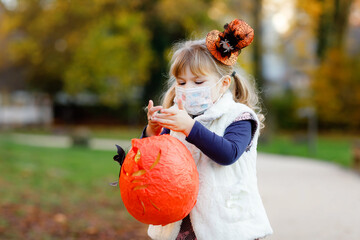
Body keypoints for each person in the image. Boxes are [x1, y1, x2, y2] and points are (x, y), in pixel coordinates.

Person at [141, 19, 273, 240]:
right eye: (181, 83)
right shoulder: (177, 118)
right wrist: (152, 132)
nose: (188, 88)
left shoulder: (239, 117)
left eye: (198, 82)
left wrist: (189, 127)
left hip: (227, 225)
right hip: (182, 223)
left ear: (223, 84)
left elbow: (227, 153)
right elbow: (154, 162)